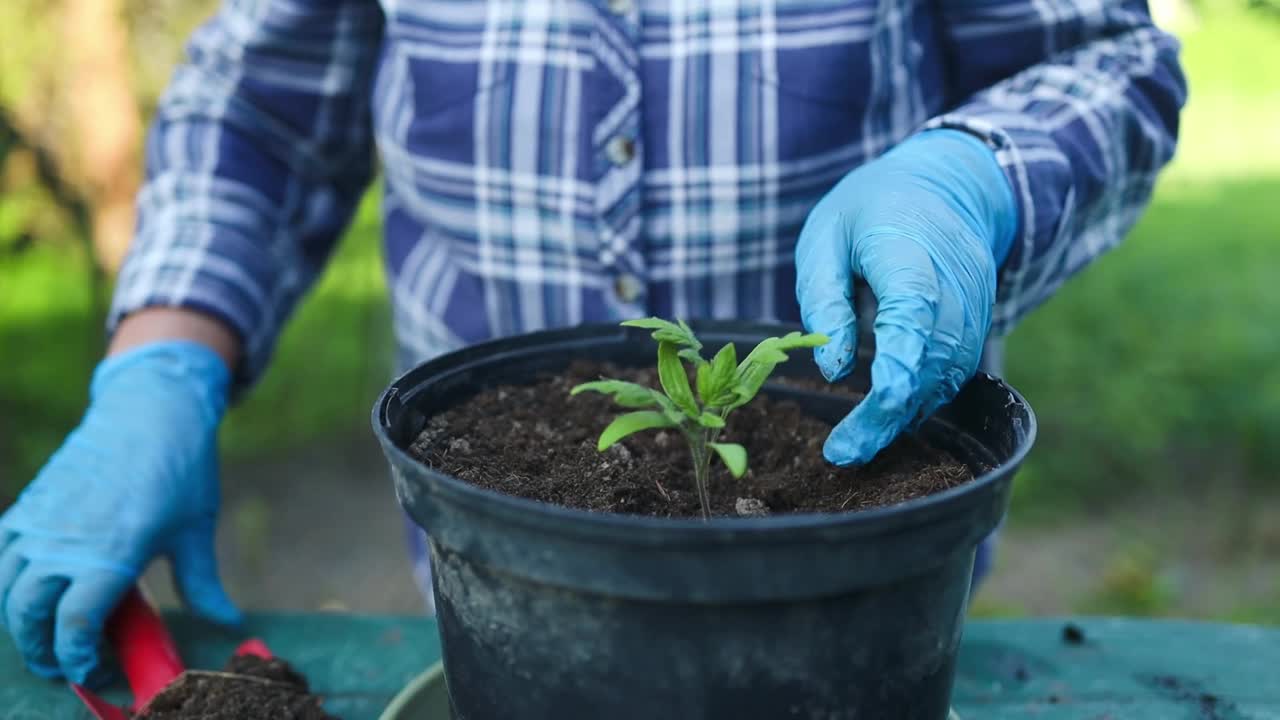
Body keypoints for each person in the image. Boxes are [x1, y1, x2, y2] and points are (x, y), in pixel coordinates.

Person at [0, 0, 1184, 686]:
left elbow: (1111, 61)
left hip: (862, 572)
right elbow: (257, 110)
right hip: (490, 594)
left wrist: (971, 178)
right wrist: (162, 361)